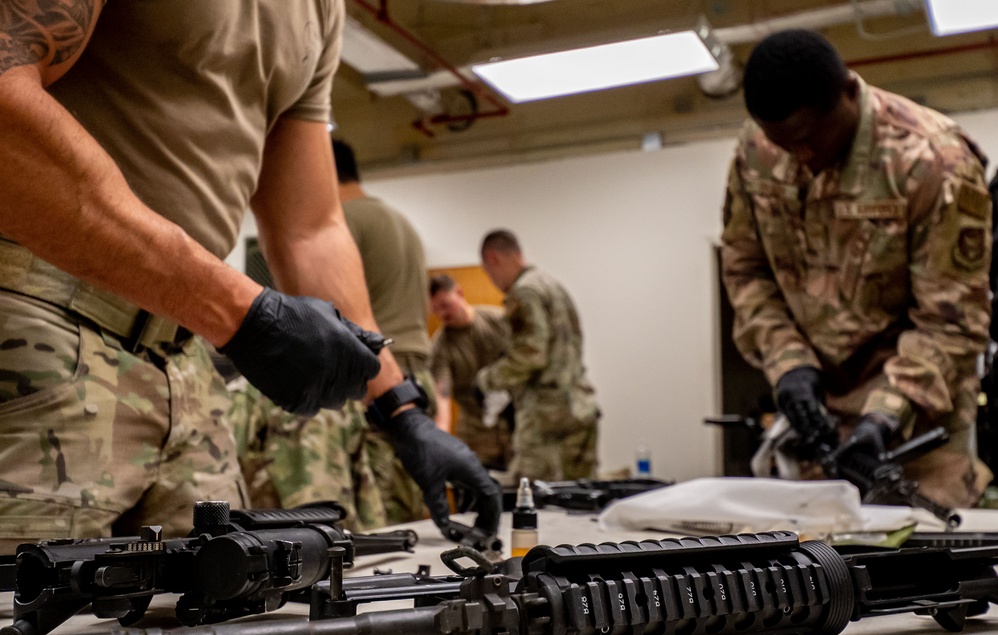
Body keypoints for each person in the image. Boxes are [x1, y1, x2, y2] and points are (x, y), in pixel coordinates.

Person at [0, 0, 499, 553]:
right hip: (38, 320)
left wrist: (398, 407)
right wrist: (237, 309)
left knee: (222, 623)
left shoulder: (318, 9)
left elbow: (309, 228)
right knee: (28, 624)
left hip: (185, 359)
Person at [721, 29, 993, 509]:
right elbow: (745, 269)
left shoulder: (933, 162)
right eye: (784, 145)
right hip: (817, 418)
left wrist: (885, 414)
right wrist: (788, 366)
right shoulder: (757, 152)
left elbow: (951, 322)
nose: (800, 159)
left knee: (919, 567)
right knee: (816, 566)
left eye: (809, 140)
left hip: (919, 419)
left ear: (848, 91)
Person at [333, 138, 434, 525]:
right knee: (410, 517)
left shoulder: (344, 222)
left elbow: (327, 314)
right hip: (414, 380)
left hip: (378, 383)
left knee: (378, 526)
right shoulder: (400, 221)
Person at [476, 230, 600, 481]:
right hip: (579, 406)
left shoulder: (524, 292)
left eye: (488, 273)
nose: (493, 281)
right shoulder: (551, 285)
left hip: (546, 420)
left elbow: (530, 355)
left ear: (493, 259)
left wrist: (485, 381)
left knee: (537, 504)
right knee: (581, 500)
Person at [429, 274, 514, 471]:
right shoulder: (442, 346)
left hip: (514, 425)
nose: (442, 314)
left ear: (458, 293)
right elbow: (441, 395)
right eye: (436, 310)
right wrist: (440, 439)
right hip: (476, 432)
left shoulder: (498, 321)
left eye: (445, 305)